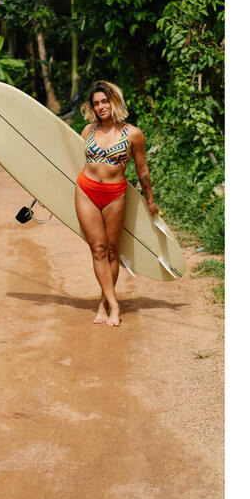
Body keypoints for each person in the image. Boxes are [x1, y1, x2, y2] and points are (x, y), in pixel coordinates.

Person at [75, 80, 158, 327]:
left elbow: (142, 170)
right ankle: (115, 304)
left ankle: (103, 301)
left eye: (105, 101)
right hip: (86, 191)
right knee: (98, 249)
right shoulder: (88, 131)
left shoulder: (133, 134)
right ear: (92, 106)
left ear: (114, 102)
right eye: (96, 103)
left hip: (115, 194)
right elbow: (69, 159)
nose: (101, 107)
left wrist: (150, 200)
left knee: (112, 250)